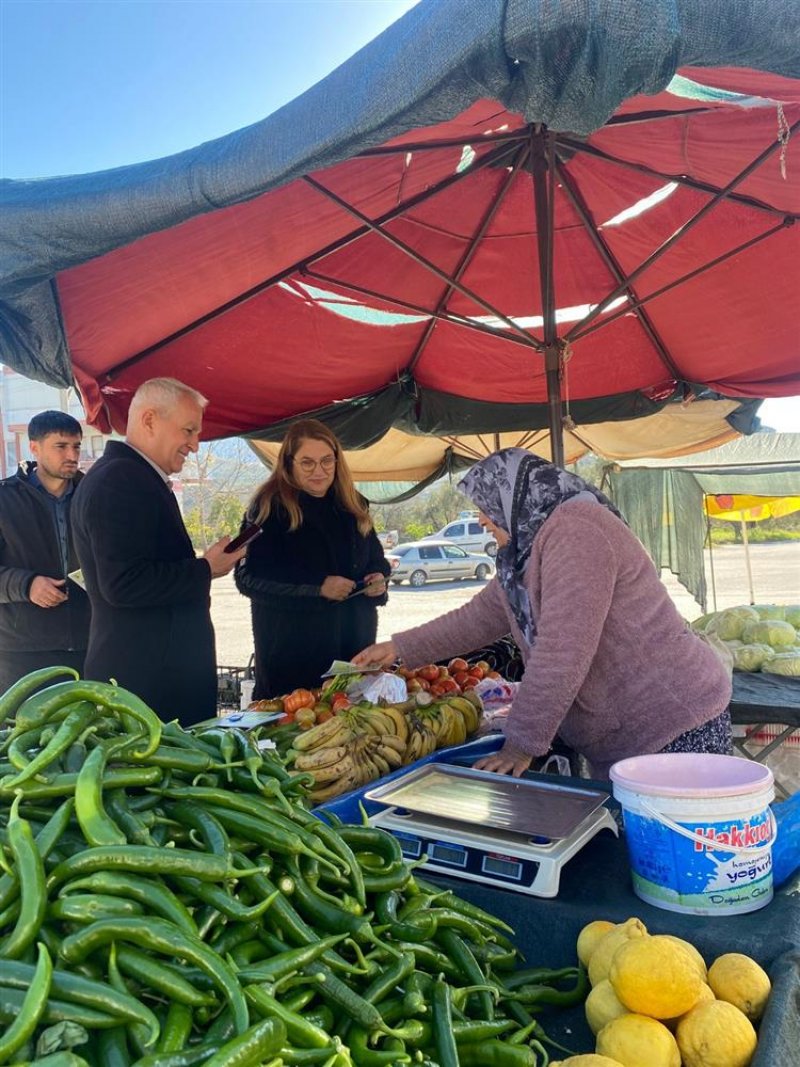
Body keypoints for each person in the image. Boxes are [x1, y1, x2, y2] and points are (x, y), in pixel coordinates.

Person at [354, 448, 733, 779]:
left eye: (486, 504)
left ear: (515, 495)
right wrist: (397, 648)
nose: (482, 519)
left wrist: (520, 745)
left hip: (672, 724)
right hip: (625, 738)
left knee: (680, 854)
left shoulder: (576, 532)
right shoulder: (524, 551)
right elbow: (477, 618)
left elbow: (563, 650)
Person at [72, 378, 246, 724]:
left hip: (154, 683)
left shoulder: (133, 477)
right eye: (188, 430)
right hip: (148, 691)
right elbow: (123, 583)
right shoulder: (119, 481)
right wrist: (205, 569)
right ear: (149, 420)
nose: (195, 445)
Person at [235, 418, 390, 698]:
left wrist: (378, 579)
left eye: (326, 461)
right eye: (307, 462)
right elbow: (247, 577)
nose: (319, 471)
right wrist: (317, 588)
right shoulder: (266, 508)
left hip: (354, 655)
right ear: (288, 463)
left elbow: (376, 559)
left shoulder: (355, 504)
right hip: (292, 661)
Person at [0, 411, 90, 692]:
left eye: (76, 446)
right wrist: (27, 585)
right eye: (61, 446)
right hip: (21, 653)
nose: (72, 455)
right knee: (20, 735)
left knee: (91, 734)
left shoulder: (93, 495)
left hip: (88, 644)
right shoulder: (4, 500)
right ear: (34, 447)